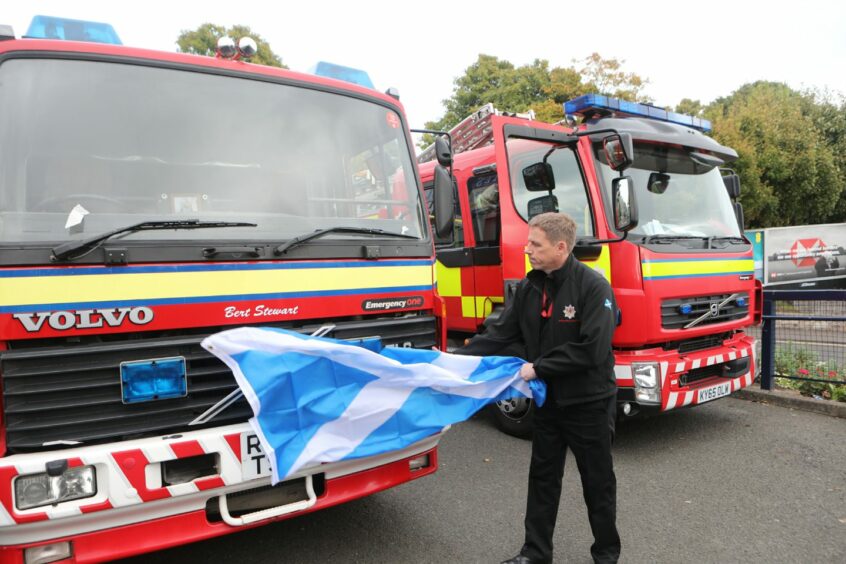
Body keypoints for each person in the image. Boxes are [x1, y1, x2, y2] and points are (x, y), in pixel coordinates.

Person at [458, 212, 620, 564]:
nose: (526, 249)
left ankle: (606, 555)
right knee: (543, 478)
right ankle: (535, 552)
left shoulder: (594, 287)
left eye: (535, 244)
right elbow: (503, 334)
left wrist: (539, 368)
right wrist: (455, 360)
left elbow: (592, 349)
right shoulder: (531, 287)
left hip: (589, 403)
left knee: (598, 483)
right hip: (548, 403)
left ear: (561, 247)